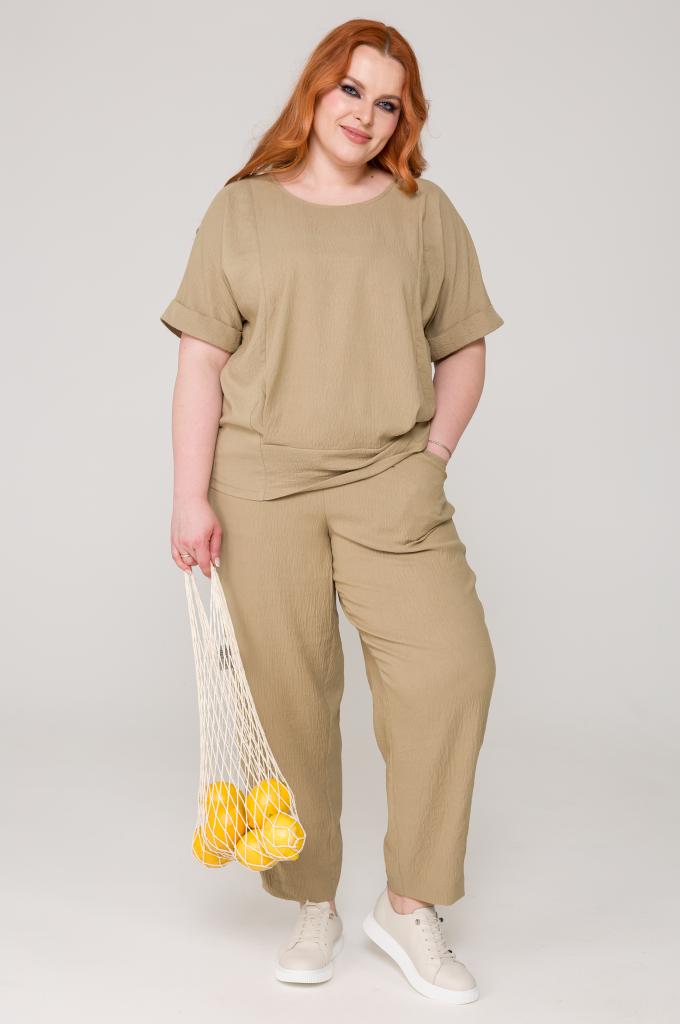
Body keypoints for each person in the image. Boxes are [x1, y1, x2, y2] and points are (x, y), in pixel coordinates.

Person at [160, 18, 504, 1005]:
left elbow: (464, 345)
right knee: (290, 700)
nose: (364, 114)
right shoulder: (241, 211)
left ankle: (407, 905)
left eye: (387, 102)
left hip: (390, 480)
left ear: (403, 120)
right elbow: (201, 360)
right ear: (316, 90)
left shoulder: (423, 213)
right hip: (261, 485)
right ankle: (311, 900)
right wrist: (189, 494)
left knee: (452, 669)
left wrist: (432, 457)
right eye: (351, 89)